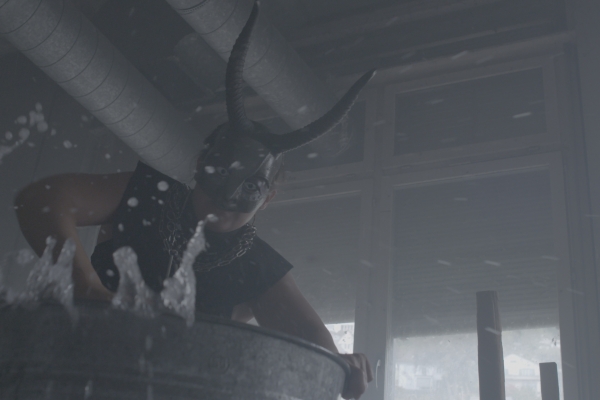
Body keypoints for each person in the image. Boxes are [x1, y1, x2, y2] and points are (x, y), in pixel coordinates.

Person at [14, 2, 374, 399]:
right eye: (220, 173)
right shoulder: (149, 196)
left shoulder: (256, 265)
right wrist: (84, 285)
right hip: (77, 376)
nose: (226, 199)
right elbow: (41, 200)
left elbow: (314, 348)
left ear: (268, 197)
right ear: (201, 164)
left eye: (248, 188)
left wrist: (343, 364)